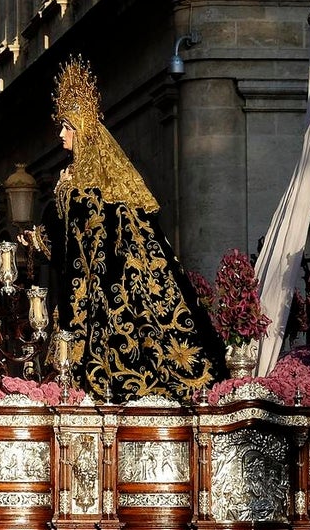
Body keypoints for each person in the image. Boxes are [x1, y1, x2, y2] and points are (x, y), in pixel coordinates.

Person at [24, 56, 224, 402]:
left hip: (101, 291)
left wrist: (60, 204)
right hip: (81, 287)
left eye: (67, 127)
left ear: (84, 129)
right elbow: (70, 243)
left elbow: (91, 235)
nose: (61, 135)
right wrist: (42, 235)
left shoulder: (85, 186)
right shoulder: (74, 182)